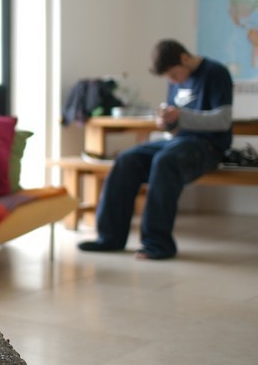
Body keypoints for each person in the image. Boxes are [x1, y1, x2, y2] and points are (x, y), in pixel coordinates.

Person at [78, 39, 233, 259]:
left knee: (165, 161)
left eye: (174, 75)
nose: (172, 80)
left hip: (208, 146)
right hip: (178, 142)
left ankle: (157, 244)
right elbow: (176, 124)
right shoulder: (175, 79)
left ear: (185, 58)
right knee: (126, 160)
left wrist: (181, 116)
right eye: (168, 77)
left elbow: (223, 120)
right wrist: (167, 122)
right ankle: (110, 238)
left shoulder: (216, 73)